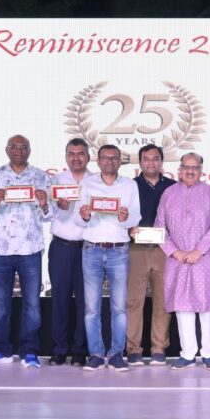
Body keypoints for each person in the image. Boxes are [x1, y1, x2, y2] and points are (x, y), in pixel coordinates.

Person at [0, 134, 51, 368]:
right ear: (7, 150)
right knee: (1, 306)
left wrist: (44, 203)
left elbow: (51, 215)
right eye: (14, 147)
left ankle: (29, 351)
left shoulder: (41, 176)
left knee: (32, 306)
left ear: (29, 150)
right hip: (0, 250)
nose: (19, 151)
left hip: (30, 250)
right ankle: (2, 350)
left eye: (23, 147)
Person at [155, 153, 210, 370]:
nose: (190, 171)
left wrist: (199, 250)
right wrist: (174, 251)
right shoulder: (168, 194)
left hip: (206, 259)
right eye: (186, 166)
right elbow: (160, 226)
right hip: (178, 259)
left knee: (208, 306)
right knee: (183, 306)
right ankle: (187, 354)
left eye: (195, 167)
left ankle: (209, 353)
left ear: (201, 170)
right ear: (179, 169)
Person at [75, 144, 141, 371]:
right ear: (98, 161)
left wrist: (125, 218)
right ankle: (95, 353)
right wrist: (84, 215)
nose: (110, 161)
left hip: (118, 250)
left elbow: (135, 217)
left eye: (114, 158)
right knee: (92, 308)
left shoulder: (130, 185)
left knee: (119, 307)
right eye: (105, 158)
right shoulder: (87, 184)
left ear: (120, 162)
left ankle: (116, 354)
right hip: (91, 249)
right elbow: (77, 220)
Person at [127, 144, 175, 365]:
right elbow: (121, 215)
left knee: (163, 301)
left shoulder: (173, 187)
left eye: (155, 159)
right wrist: (128, 229)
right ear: (140, 162)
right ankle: (133, 349)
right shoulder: (130, 186)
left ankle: (158, 348)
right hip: (136, 249)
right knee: (133, 301)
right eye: (146, 159)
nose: (151, 163)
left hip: (165, 250)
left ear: (162, 162)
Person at [48, 138, 93, 366]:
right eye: (71, 154)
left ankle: (80, 350)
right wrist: (58, 207)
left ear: (88, 156)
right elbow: (44, 214)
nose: (76, 158)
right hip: (61, 248)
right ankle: (59, 349)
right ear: (66, 156)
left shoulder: (97, 182)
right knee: (60, 299)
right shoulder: (55, 181)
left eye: (80, 153)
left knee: (86, 303)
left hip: (88, 249)